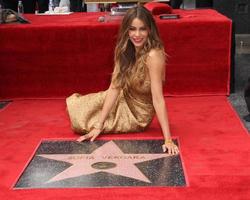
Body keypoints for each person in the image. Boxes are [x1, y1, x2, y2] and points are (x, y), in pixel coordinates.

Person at [66, 5, 179, 155]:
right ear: (126, 30)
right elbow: (114, 87)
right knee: (78, 109)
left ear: (150, 30)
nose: (137, 34)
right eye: (132, 29)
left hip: (138, 113)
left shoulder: (154, 55)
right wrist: (99, 125)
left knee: (82, 124)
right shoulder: (124, 49)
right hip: (124, 96)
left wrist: (168, 139)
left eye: (142, 29)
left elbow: (157, 98)